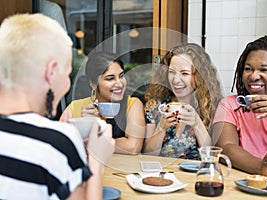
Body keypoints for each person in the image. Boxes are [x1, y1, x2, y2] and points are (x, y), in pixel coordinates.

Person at [0, 13, 115, 199]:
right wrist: (97, 161)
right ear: (51, 72)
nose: (67, 83)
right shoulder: (57, 141)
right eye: (68, 73)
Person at [212, 36, 267, 177]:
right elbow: (225, 147)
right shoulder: (230, 104)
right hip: (249, 177)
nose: (253, 76)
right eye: (248, 69)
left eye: (264, 70)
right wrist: (260, 166)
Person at [143, 43, 223, 159]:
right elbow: (148, 155)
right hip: (163, 174)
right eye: (171, 72)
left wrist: (197, 124)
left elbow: (211, 156)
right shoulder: (155, 106)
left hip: (196, 175)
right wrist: (161, 128)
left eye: (184, 73)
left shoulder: (213, 107)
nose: (176, 80)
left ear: (199, 77)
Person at [60, 50, 145, 154]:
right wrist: (84, 126)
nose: (119, 83)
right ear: (93, 84)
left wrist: (91, 142)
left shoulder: (132, 104)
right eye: (110, 78)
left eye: (121, 76)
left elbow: (133, 147)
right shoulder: (75, 108)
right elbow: (60, 143)